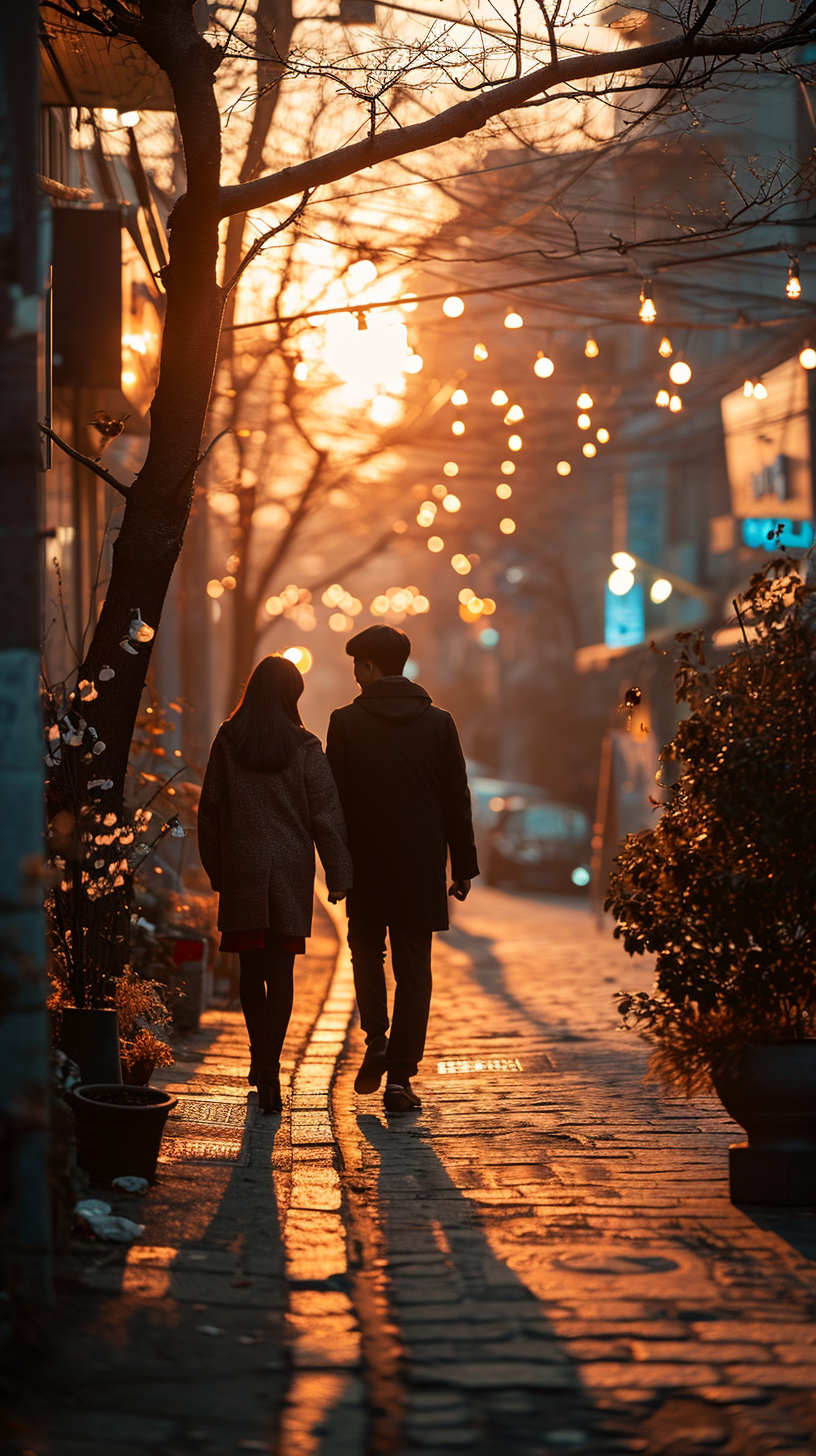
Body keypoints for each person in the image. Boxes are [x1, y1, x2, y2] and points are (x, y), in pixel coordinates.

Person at [326, 623, 478, 1115]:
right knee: (415, 972)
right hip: (421, 863)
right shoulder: (440, 722)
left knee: (366, 952)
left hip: (367, 863)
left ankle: (376, 1039)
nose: (354, 676)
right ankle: (400, 1080)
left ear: (369, 668)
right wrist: (464, 866)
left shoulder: (344, 722)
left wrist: (337, 865)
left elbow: (335, 802)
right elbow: (456, 798)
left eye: (357, 667)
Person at [198, 655, 352, 1113]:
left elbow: (211, 810)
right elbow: (325, 814)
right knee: (281, 972)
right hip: (288, 868)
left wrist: (217, 869)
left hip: (242, 865)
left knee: (249, 970)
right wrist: (339, 874)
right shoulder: (305, 746)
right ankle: (272, 1066)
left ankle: (256, 1058)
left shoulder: (229, 740)